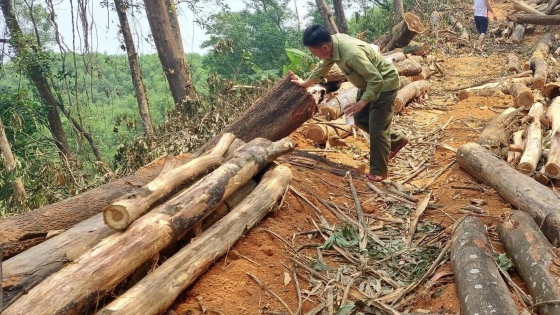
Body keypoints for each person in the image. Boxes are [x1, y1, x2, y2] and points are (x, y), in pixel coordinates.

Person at [291, 24, 408, 182]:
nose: (315, 56)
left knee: (377, 125)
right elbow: (322, 68)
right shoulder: (332, 46)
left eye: (314, 52)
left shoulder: (351, 54)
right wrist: (305, 83)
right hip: (367, 84)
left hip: (384, 82)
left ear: (324, 47)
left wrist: (361, 103)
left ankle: (379, 171)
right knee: (359, 118)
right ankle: (396, 140)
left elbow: (376, 79)